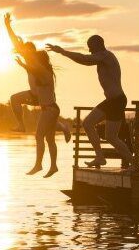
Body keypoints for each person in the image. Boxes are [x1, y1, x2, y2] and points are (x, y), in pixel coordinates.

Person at [46, 35, 133, 168]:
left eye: (91, 48)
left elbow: (85, 59)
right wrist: (64, 53)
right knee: (87, 124)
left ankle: (135, 164)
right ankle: (100, 157)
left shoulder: (106, 55)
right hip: (111, 101)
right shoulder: (101, 57)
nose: (90, 51)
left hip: (117, 100)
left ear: (98, 45)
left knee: (111, 137)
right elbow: (85, 60)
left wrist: (63, 52)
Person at [4, 13, 71, 142]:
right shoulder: (28, 59)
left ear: (31, 51)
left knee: (49, 126)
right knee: (14, 99)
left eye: (25, 51)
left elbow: (18, 45)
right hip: (34, 95)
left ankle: (63, 128)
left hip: (42, 96)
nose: (22, 51)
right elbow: (15, 42)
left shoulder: (36, 62)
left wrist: (24, 63)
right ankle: (22, 124)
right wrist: (7, 26)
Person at [15, 51, 60, 177]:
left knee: (39, 136)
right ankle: (53, 166)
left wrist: (22, 64)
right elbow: (33, 70)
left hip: (50, 110)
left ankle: (38, 164)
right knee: (50, 139)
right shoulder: (43, 71)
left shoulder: (44, 71)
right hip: (51, 109)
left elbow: (33, 69)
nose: (34, 61)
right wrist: (23, 63)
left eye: (36, 59)